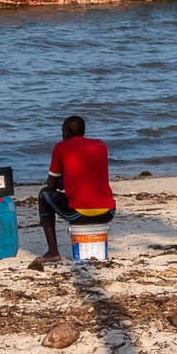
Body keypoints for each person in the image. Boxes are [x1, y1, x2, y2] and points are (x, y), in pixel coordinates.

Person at [33, 115, 115, 268]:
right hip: (108, 211)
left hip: (79, 213)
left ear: (65, 131)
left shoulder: (61, 148)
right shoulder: (100, 146)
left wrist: (61, 181)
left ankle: (53, 251)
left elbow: (51, 184)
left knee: (44, 195)